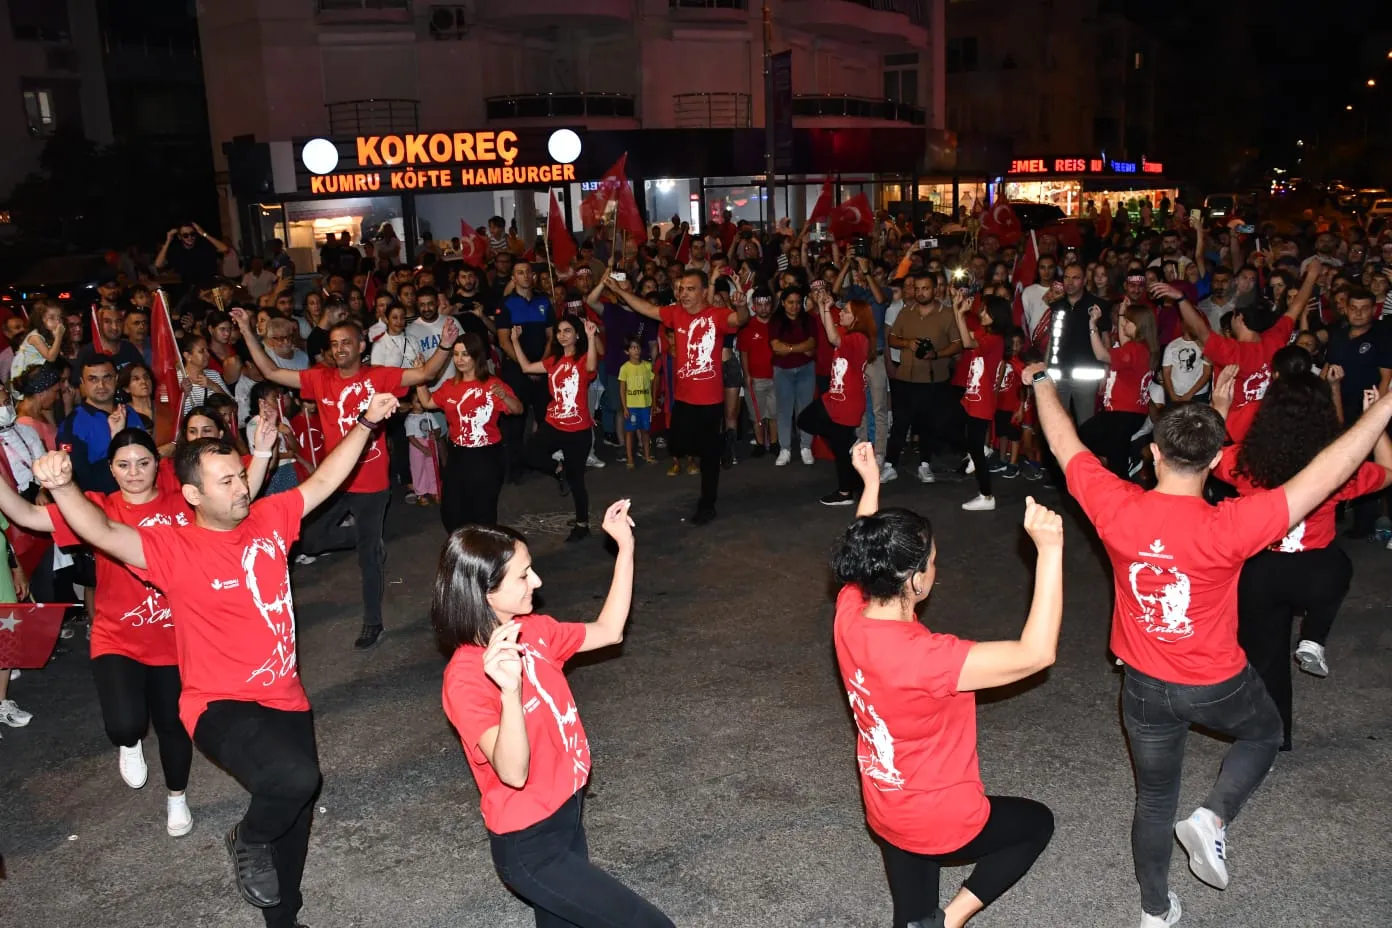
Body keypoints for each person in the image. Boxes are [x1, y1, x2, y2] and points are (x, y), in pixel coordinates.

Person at [1028, 359, 1392, 926]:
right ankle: (1214, 815)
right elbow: (1327, 471)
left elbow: (1060, 438)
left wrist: (1039, 382)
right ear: (1218, 459)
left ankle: (1154, 911)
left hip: (1143, 687)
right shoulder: (1234, 523)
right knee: (1266, 733)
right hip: (1215, 682)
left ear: (1152, 453)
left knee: (1153, 800)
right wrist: (1385, 408)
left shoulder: (1114, 503)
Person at [32, 390, 402, 928]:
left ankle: (284, 917)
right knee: (296, 779)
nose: (241, 487)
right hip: (218, 705)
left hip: (286, 699)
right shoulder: (172, 549)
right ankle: (243, 837)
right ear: (191, 494)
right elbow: (104, 531)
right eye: (226, 482)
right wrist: (63, 486)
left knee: (294, 818)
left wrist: (367, 422)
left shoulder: (271, 517)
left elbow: (324, 480)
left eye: (240, 475)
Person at [831, 443, 1058, 928]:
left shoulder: (849, 617)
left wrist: (870, 486)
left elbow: (863, 555)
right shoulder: (929, 658)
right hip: (943, 818)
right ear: (914, 580)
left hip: (886, 807)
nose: (936, 568)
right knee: (1035, 824)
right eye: (932, 561)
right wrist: (1051, 552)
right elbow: (1036, 654)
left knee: (910, 915)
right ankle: (952, 919)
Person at [435, 498, 675, 928]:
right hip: (530, 844)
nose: (537, 581)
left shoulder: (536, 632)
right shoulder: (467, 678)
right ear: (486, 592)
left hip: (566, 813)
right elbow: (512, 772)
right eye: (523, 575)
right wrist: (509, 691)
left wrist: (626, 548)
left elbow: (609, 630)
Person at [0, 428, 196, 835]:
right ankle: (129, 743)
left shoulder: (184, 505)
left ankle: (177, 797)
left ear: (157, 465)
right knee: (124, 724)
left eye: (143, 463)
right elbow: (25, 516)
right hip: (117, 636)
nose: (134, 472)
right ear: (111, 469)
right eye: (123, 465)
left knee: (174, 725)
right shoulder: (95, 507)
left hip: (176, 639)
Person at [235, 307, 459, 650]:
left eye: (346, 342)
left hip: (371, 484)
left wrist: (444, 346)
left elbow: (425, 372)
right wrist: (248, 330)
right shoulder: (319, 378)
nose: (340, 348)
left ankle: (373, 622)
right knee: (308, 541)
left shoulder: (378, 377)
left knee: (368, 559)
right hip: (333, 481)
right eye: (335, 343)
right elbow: (270, 370)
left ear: (361, 345)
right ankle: (369, 539)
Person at [1211, 365, 1392, 747]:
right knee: (1340, 563)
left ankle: (1271, 739)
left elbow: (1208, 455)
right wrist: (1374, 422)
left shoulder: (1246, 463)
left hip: (1258, 576)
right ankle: (1314, 636)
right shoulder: (1337, 473)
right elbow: (1389, 471)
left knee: (1266, 662)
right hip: (1314, 576)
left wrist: (1220, 407)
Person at [606, 269, 749, 524]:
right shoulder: (675, 314)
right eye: (681, 289)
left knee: (708, 458)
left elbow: (739, 320)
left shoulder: (716, 316)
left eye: (691, 289)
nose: (684, 294)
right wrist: (619, 291)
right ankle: (722, 442)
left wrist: (741, 306)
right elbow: (646, 309)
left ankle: (707, 504)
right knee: (677, 445)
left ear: (705, 292)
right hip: (683, 399)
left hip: (710, 401)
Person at [418, 334, 521, 533]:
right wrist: (420, 379)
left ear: (477, 356)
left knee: (482, 513)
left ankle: (483, 558)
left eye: (465, 354)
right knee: (451, 513)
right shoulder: (450, 386)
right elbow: (428, 403)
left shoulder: (491, 384)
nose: (460, 359)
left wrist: (505, 397)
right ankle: (463, 552)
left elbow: (518, 409)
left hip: (486, 455)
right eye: (456, 354)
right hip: (458, 455)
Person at [511, 316, 600, 542]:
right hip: (554, 423)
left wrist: (591, 337)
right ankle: (558, 470)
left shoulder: (582, 360)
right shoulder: (553, 361)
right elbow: (525, 367)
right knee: (529, 453)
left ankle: (582, 524)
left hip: (578, 429)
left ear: (577, 335)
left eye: (568, 331)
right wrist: (514, 341)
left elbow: (591, 366)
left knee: (577, 480)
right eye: (559, 331)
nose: (562, 335)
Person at [798, 293, 873, 506]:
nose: (841, 313)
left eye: (846, 311)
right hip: (835, 397)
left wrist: (826, 309)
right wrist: (824, 307)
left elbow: (832, 338)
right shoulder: (848, 334)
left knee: (840, 450)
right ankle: (851, 451)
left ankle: (845, 493)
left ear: (857, 318)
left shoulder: (859, 339)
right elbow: (828, 328)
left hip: (847, 402)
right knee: (807, 420)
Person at [1080, 303, 1160, 478]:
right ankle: (1129, 456)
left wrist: (1092, 325)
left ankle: (1128, 463)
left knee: (1110, 457)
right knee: (1112, 452)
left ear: (1139, 326)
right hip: (1129, 413)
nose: (1123, 325)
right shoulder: (1143, 349)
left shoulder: (1135, 349)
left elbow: (1101, 355)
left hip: (1122, 413)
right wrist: (1123, 313)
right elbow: (1124, 340)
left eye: (1128, 322)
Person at [58, 359, 149, 494]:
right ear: (82, 383)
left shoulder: (129, 412)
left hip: (143, 495)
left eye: (107, 378)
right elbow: (79, 478)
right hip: (104, 503)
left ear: (116, 379)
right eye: (93, 379)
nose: (101, 385)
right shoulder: (72, 424)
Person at [953, 293, 1008, 510]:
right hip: (974, 396)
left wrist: (960, 313)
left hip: (982, 400)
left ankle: (986, 496)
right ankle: (979, 451)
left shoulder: (993, 339)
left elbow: (966, 342)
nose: (981, 313)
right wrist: (959, 314)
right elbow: (967, 338)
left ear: (995, 316)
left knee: (974, 447)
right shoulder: (986, 335)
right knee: (960, 432)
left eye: (986, 310)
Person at [617, 336, 655, 468]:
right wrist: (625, 407)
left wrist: (652, 404)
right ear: (627, 351)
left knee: (645, 431)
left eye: (638, 347)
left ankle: (647, 455)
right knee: (630, 432)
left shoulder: (647, 366)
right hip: (632, 406)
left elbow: (651, 386)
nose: (636, 350)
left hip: (645, 405)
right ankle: (630, 459)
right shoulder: (625, 368)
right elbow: (622, 389)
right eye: (633, 348)